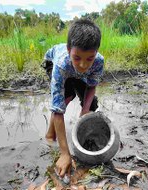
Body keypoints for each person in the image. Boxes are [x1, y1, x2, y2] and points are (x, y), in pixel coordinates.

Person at [41, 19, 104, 179]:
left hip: (72, 70)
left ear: (95, 53)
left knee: (92, 104)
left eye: (89, 58)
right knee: (66, 96)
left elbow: (91, 86)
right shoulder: (61, 64)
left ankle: (72, 131)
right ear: (69, 50)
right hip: (53, 62)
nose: (83, 64)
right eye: (77, 57)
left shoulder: (98, 62)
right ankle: (50, 135)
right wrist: (64, 153)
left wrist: (85, 110)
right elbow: (57, 108)